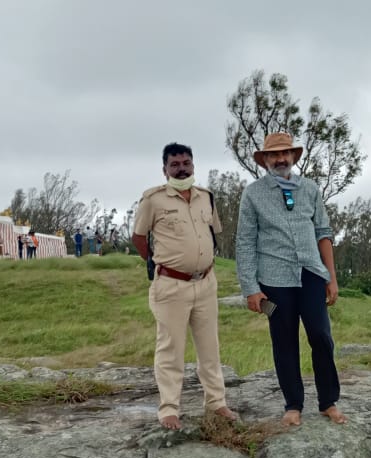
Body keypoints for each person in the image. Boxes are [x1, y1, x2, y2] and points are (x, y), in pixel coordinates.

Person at [235, 131, 346, 427]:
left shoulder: (310, 189)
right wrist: (250, 289)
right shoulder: (253, 194)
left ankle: (328, 401)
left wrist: (330, 278)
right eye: (274, 154)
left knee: (321, 337)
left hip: (311, 275)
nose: (281, 159)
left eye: (286, 154)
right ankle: (293, 404)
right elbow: (244, 242)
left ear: (294, 157)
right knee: (283, 341)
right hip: (273, 282)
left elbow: (323, 233)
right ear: (266, 160)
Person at [132, 142, 238, 431]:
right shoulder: (153, 200)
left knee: (210, 348)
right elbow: (139, 238)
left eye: (186, 163)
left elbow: (212, 232)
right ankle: (169, 409)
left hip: (205, 283)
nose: (181, 169)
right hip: (171, 286)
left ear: (193, 165)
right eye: (175, 165)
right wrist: (157, 262)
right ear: (165, 169)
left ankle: (216, 403)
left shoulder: (206, 198)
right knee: (170, 348)